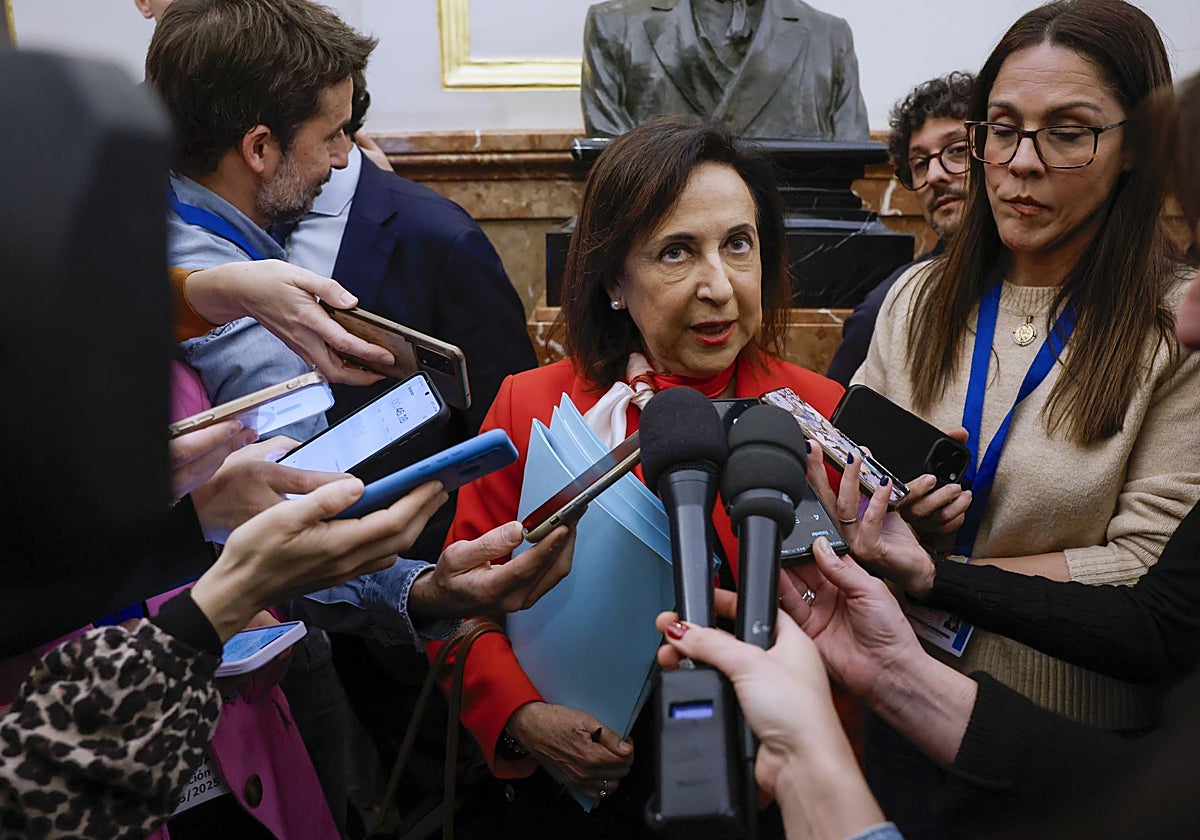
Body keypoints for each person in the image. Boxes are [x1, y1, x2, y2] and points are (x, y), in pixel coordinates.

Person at [433, 114, 845, 837]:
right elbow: (458, 611)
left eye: (738, 245)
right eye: (677, 252)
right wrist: (523, 717)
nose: (718, 286)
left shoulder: (819, 411)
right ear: (616, 280)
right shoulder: (531, 407)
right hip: (581, 790)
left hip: (773, 783)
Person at [844, 1, 1200, 835]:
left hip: (1077, 744)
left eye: (1067, 132)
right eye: (1000, 129)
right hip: (903, 708)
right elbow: (842, 478)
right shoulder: (917, 298)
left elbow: (1152, 576)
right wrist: (872, 509)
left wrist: (942, 570)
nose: (1019, 164)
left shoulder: (1177, 323)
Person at [827, 71, 975, 386]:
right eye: (919, 164)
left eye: (957, 150)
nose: (934, 175)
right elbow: (832, 421)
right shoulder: (891, 305)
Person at [581, 0, 869, 141]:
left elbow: (849, 154)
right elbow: (610, 158)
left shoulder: (830, 38)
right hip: (656, 227)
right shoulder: (614, 27)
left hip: (798, 229)